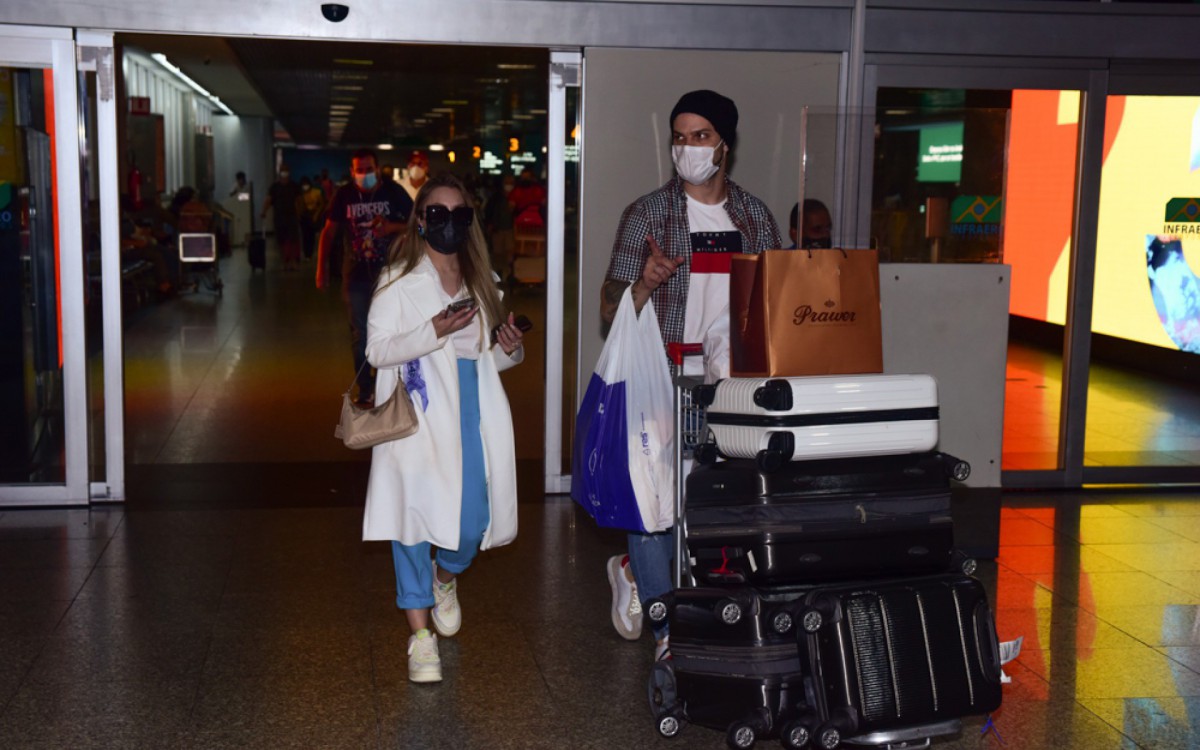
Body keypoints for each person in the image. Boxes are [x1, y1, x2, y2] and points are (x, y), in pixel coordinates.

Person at [600, 90, 782, 661]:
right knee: (654, 505)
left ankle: (636, 572)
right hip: (663, 378)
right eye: (679, 136)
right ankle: (666, 628)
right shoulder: (648, 214)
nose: (687, 147)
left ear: (724, 144)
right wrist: (644, 283)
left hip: (732, 387)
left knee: (718, 504)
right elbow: (609, 305)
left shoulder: (754, 217)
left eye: (699, 136)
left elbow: (781, 299)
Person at [362, 172, 527, 683]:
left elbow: (489, 359)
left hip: (472, 411)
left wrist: (509, 344)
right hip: (418, 414)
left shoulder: (484, 282)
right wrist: (434, 329)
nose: (449, 224)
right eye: (438, 214)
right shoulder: (398, 281)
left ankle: (443, 580)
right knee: (411, 524)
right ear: (420, 220)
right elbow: (376, 351)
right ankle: (419, 637)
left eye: (460, 215)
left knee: (471, 525)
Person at [316, 148, 414, 407]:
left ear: (377, 168)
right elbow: (328, 233)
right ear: (352, 172)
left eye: (369, 169)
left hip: (390, 273)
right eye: (360, 170)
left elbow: (418, 222)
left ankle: (389, 382)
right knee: (360, 334)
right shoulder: (345, 195)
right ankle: (366, 387)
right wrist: (321, 269)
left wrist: (393, 227)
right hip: (356, 274)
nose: (365, 174)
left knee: (393, 329)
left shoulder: (393, 192)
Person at [261, 164, 303, 271]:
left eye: (286, 171)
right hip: (279, 217)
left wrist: (299, 214)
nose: (284, 173)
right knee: (281, 240)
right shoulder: (274, 187)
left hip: (292, 216)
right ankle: (285, 261)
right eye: (282, 171)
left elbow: (299, 201)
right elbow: (269, 200)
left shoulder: (294, 186)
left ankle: (293, 261)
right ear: (279, 172)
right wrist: (264, 211)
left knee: (293, 240)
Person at [298, 176, 326, 260]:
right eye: (303, 184)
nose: (305, 186)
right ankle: (307, 254)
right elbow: (298, 205)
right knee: (305, 235)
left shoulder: (316, 192)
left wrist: (316, 214)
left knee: (312, 236)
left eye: (306, 184)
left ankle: (310, 253)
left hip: (314, 215)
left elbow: (322, 204)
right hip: (304, 216)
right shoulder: (300, 194)